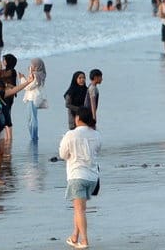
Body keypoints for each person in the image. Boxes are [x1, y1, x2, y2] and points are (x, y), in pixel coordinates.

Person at [58, 106, 101, 250]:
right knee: (80, 208)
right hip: (92, 177)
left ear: (78, 119)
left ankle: (84, 240)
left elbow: (63, 155)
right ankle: (75, 236)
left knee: (79, 209)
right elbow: (96, 151)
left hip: (77, 175)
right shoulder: (96, 134)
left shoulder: (70, 135)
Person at [21, 58, 47, 142]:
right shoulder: (39, 74)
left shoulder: (36, 75)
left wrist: (22, 79)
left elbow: (28, 86)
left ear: (36, 66)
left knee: (32, 118)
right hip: (32, 98)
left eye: (32, 65)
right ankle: (33, 136)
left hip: (33, 98)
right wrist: (30, 72)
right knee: (31, 118)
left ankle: (34, 136)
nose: (30, 66)